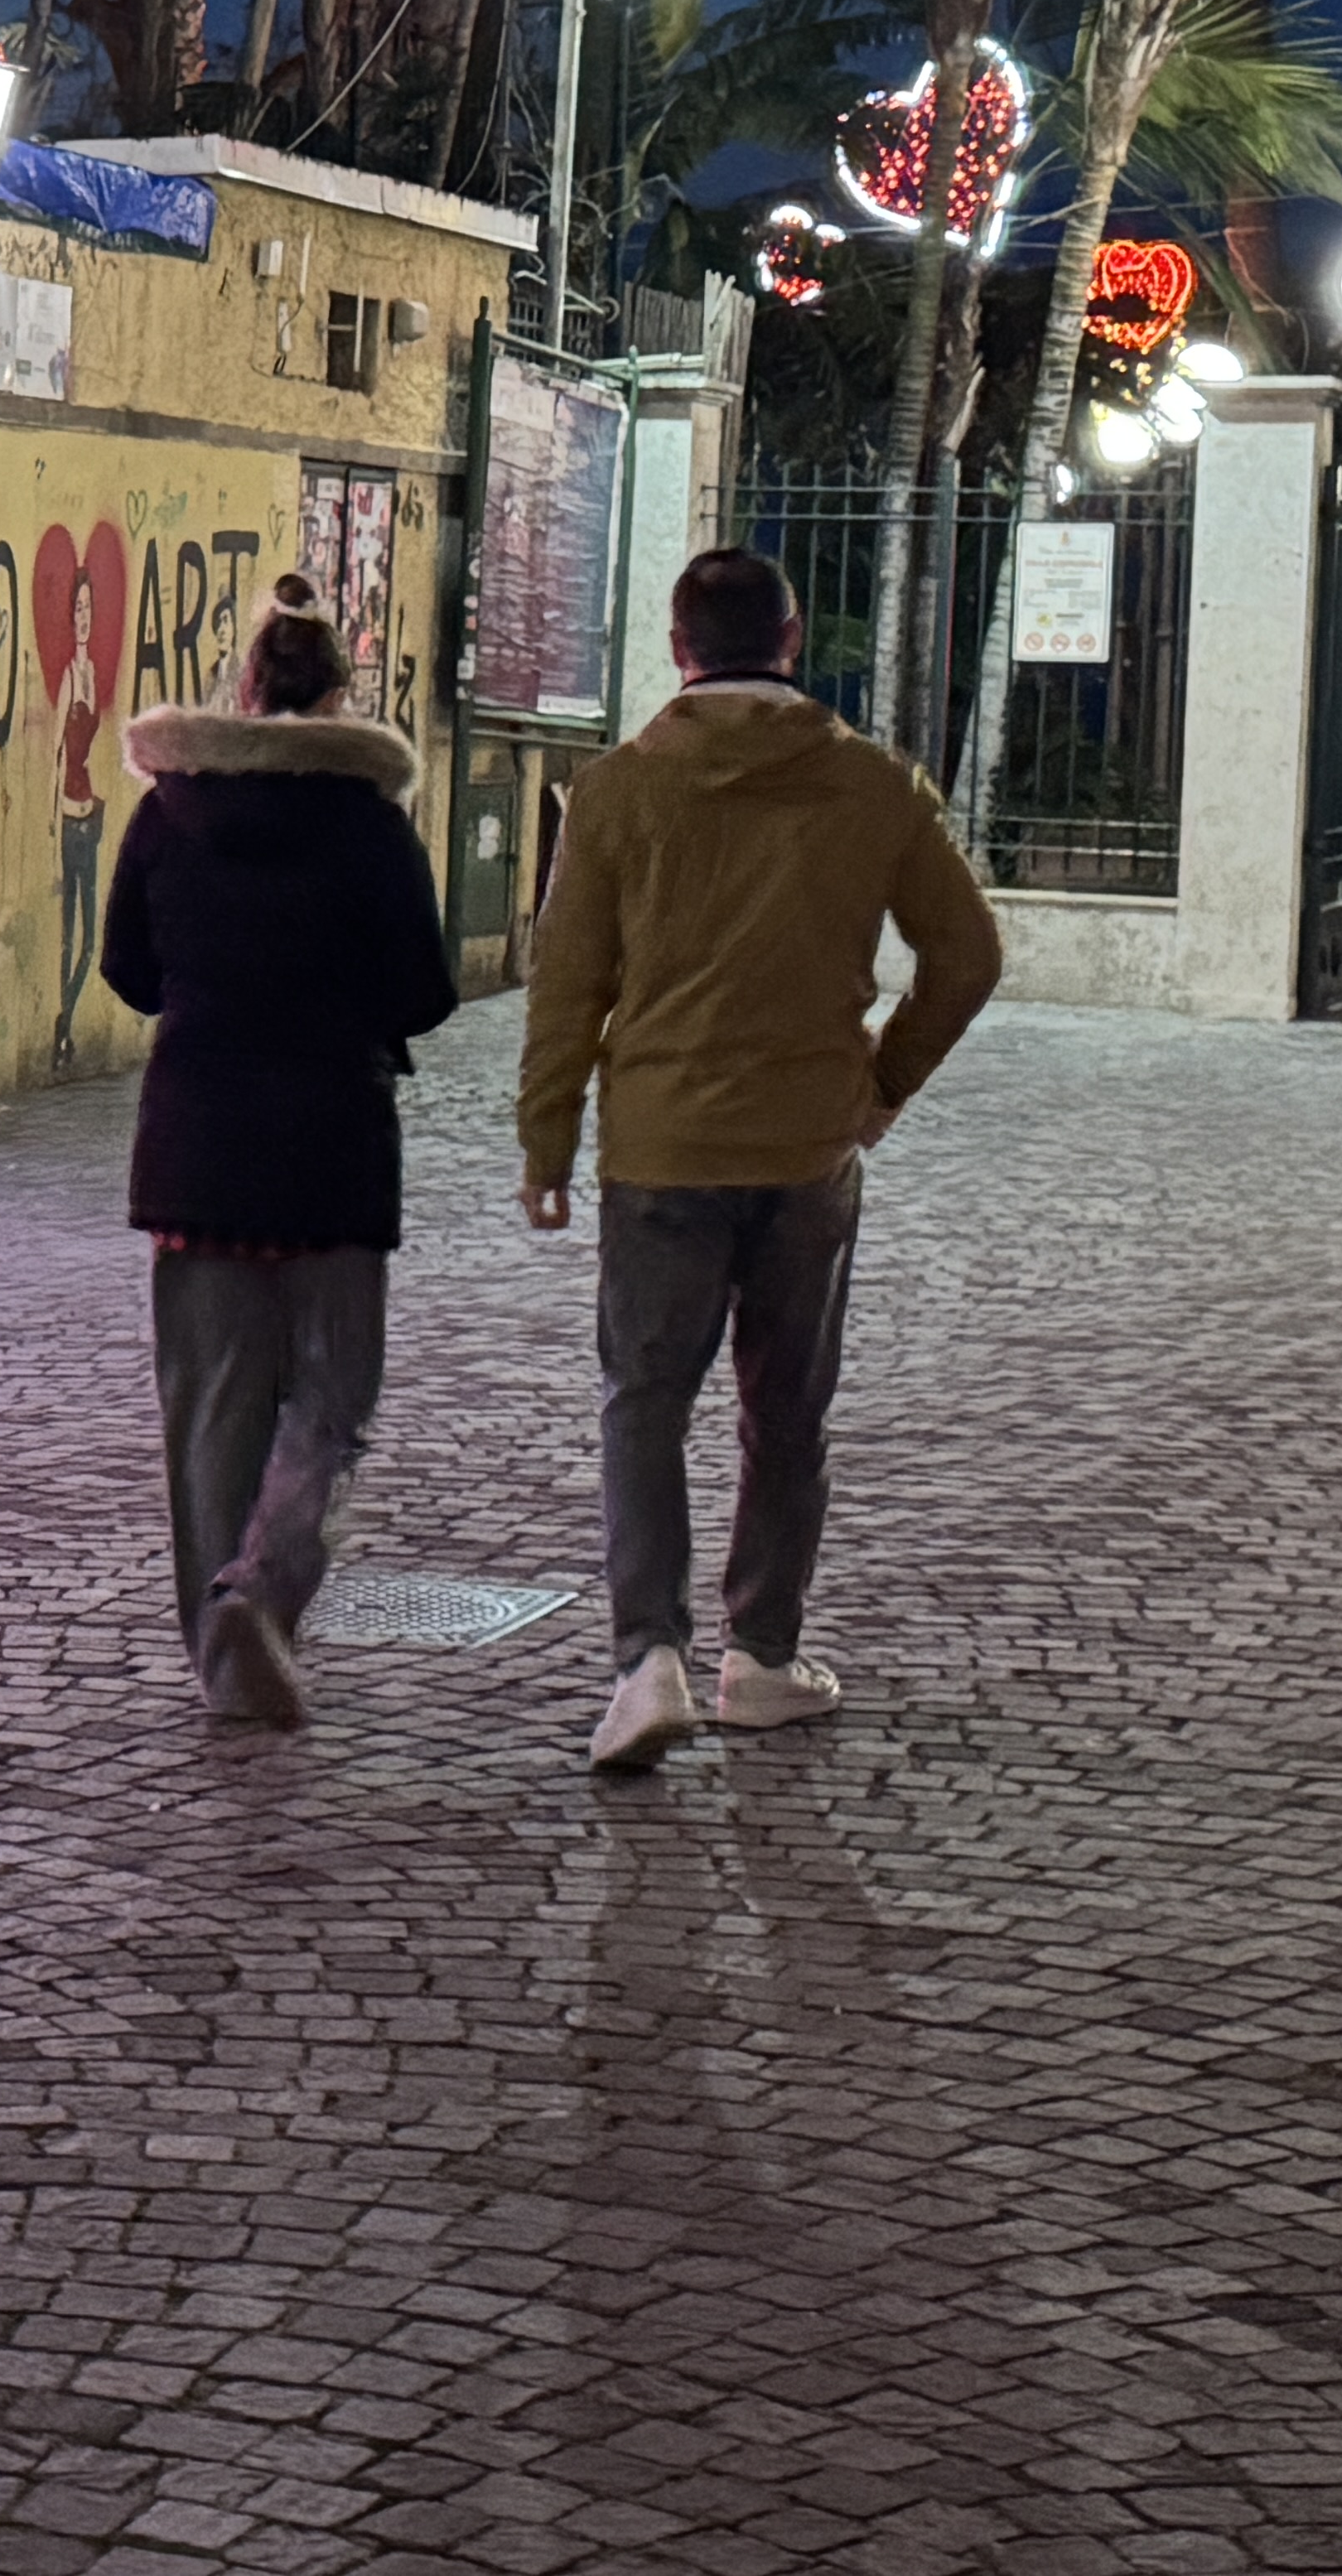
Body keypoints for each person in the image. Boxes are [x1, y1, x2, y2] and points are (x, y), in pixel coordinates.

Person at [516, 544, 1003, 1775]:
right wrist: (880, 1086)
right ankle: (762, 1659)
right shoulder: (876, 789)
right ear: (792, 643)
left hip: (661, 1148)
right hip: (805, 1150)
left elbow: (568, 983)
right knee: (785, 1413)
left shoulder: (618, 793)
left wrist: (549, 1139)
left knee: (646, 1403)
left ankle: (648, 1661)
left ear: (679, 649)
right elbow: (970, 955)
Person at [99, 574, 461, 1727]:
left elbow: (128, 970)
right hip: (334, 1154)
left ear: (245, 688)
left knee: (209, 1406)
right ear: (343, 694)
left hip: (197, 1147)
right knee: (331, 1399)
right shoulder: (371, 824)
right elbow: (425, 991)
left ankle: (219, 1647)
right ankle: (262, 1587)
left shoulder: (171, 811)